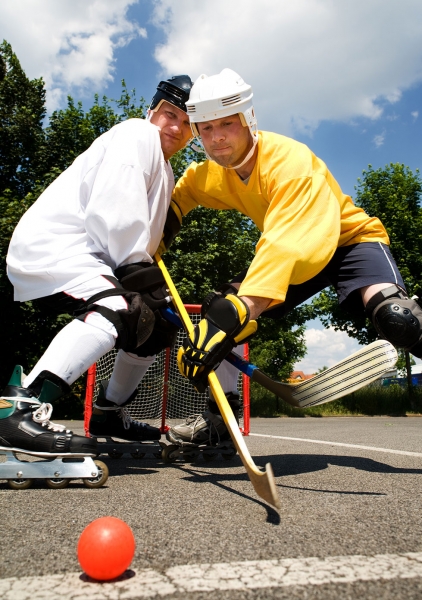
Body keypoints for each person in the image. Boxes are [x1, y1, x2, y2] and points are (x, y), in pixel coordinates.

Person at [167, 68, 422, 446]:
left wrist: (243, 308)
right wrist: (151, 239)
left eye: (227, 124)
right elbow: (180, 195)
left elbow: (288, 243)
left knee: (396, 319)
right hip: (290, 245)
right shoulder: (214, 175)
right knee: (221, 307)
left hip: (349, 239)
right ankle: (219, 421)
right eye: (205, 128)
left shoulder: (288, 161)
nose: (217, 136)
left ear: (248, 119)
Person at [1, 75, 193, 456]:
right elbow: (116, 219)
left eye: (187, 124)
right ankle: (16, 412)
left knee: (155, 327)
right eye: (170, 114)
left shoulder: (165, 169)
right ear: (151, 112)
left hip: (93, 255)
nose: (176, 127)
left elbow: (141, 240)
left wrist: (149, 288)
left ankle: (108, 412)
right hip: (57, 246)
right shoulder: (137, 134)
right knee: (116, 308)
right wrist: (138, 271)